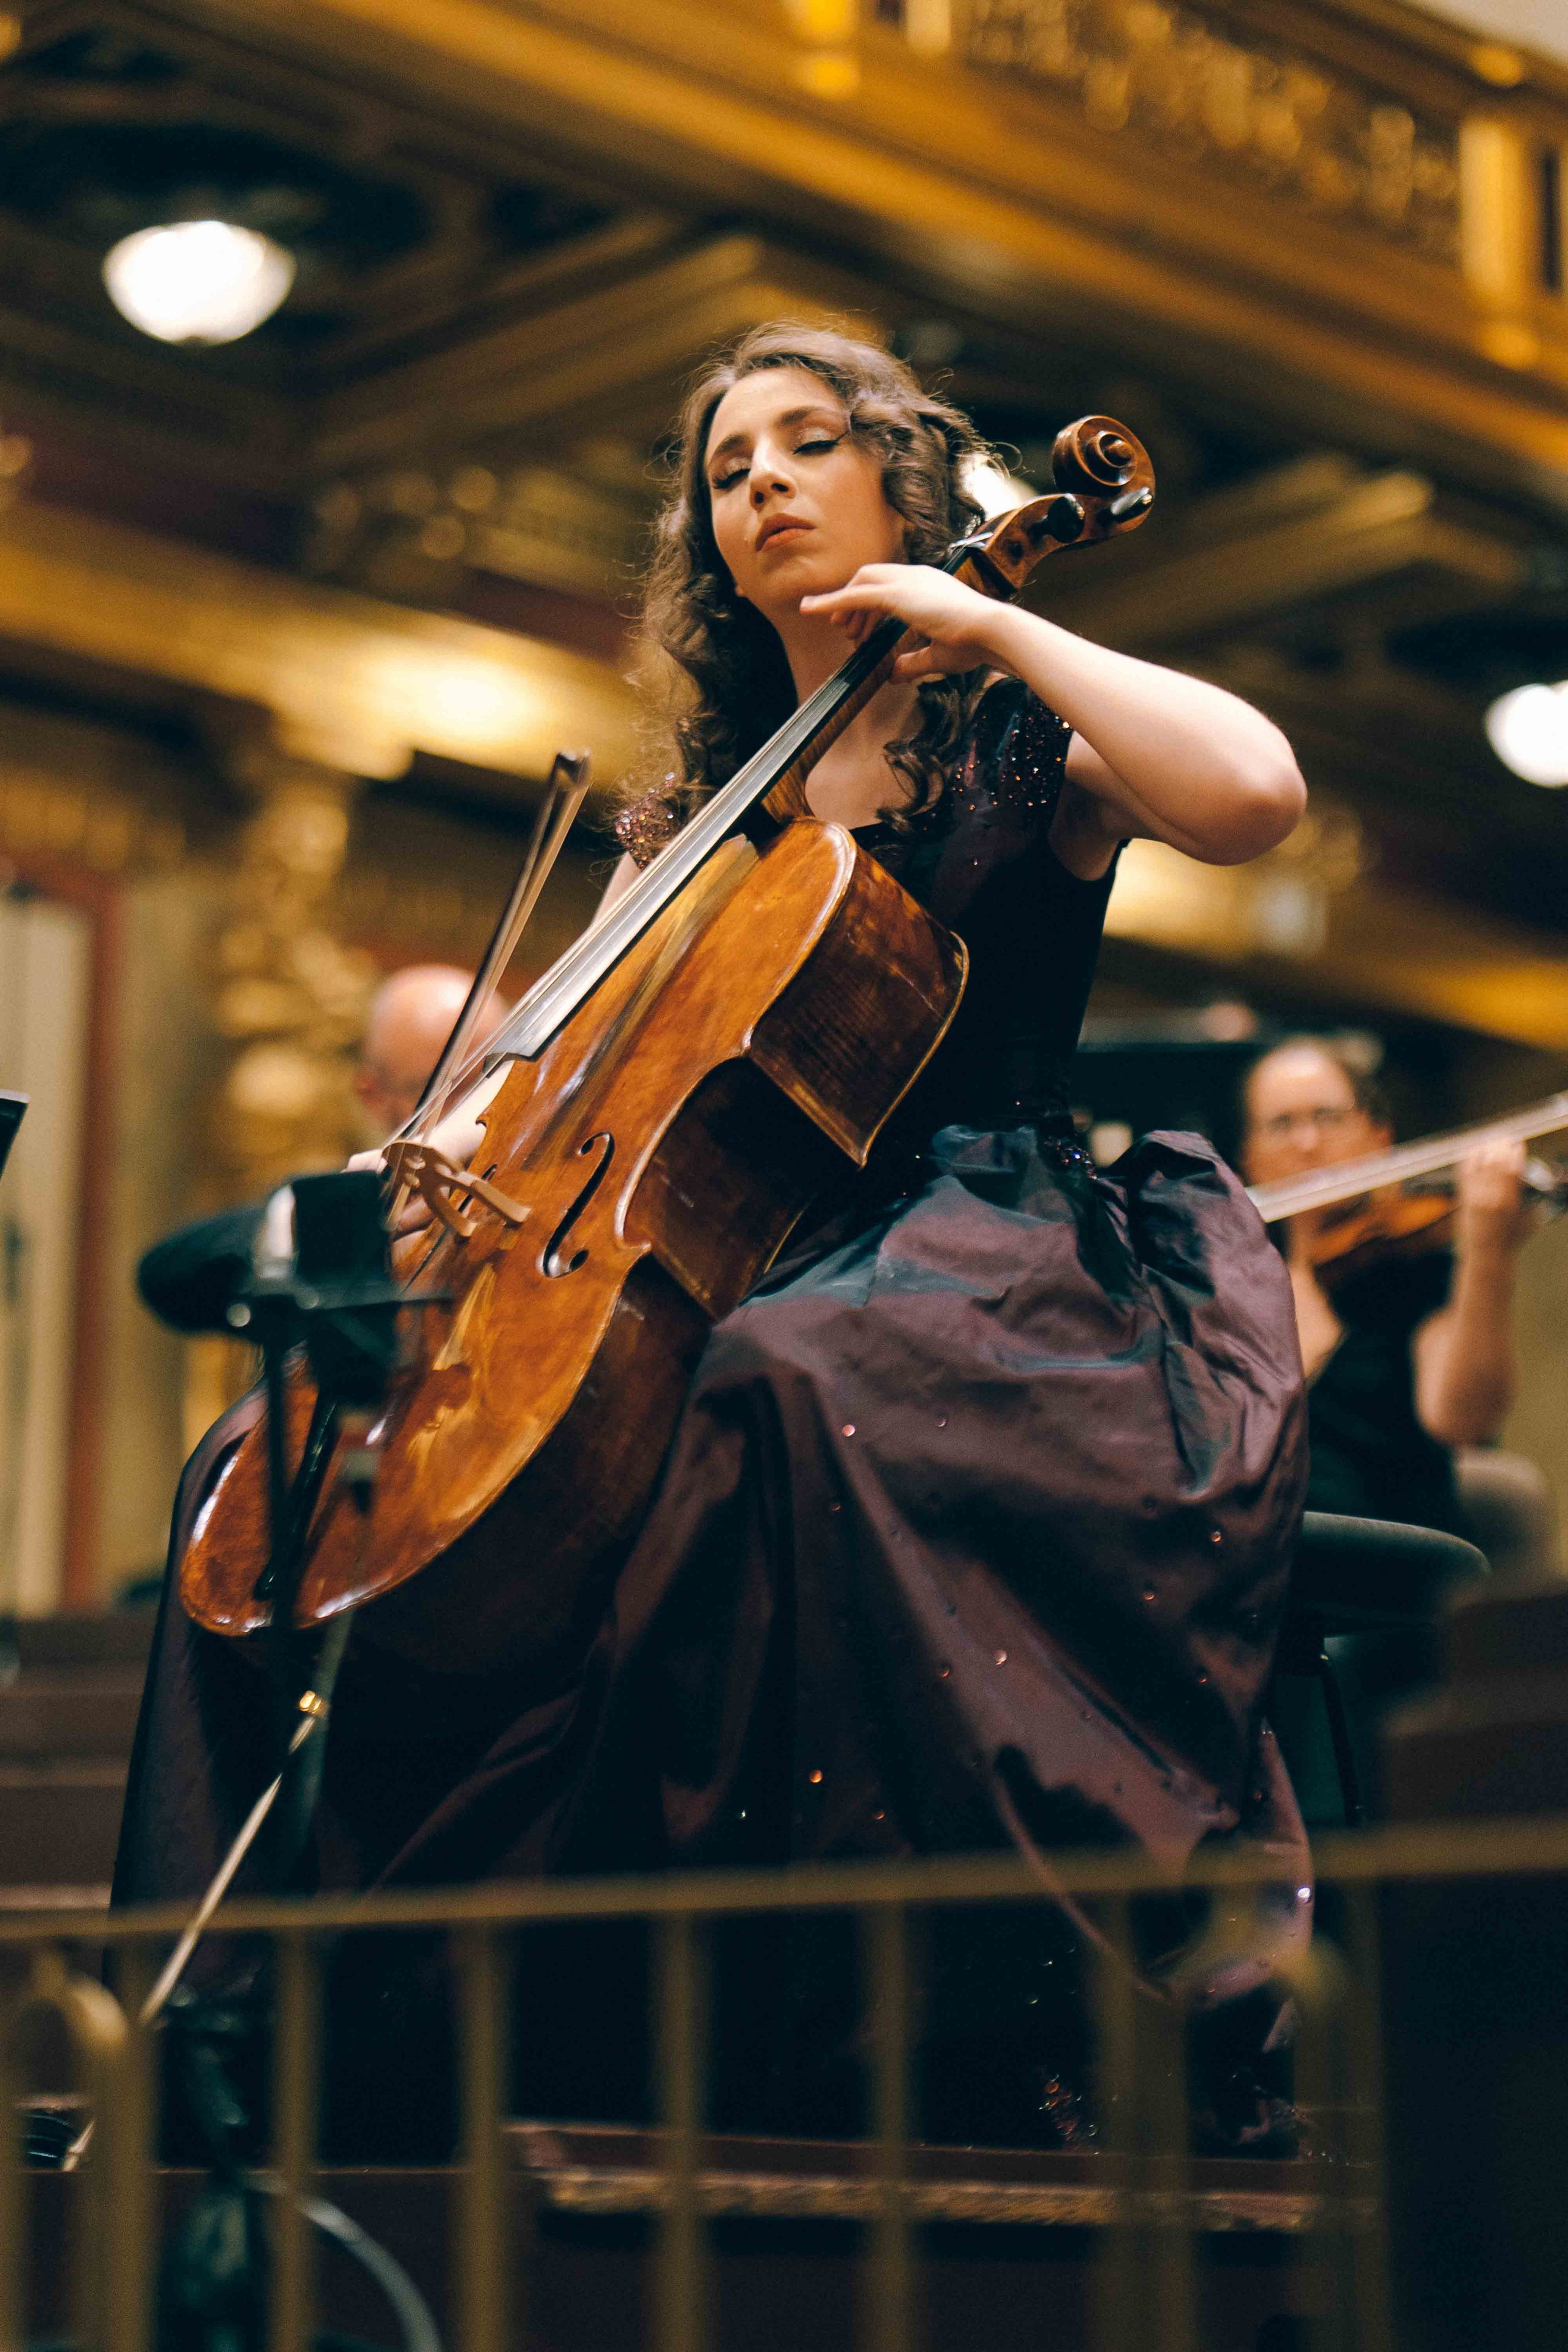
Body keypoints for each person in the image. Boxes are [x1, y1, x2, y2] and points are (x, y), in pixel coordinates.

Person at [118, 325, 1311, 2154]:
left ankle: (774, 2039)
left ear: (899, 481)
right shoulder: (698, 811)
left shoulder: (1016, 738)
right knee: (271, 1454)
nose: (756, 477)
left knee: (765, 1389)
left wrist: (994, 618)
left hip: (984, 1250)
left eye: (805, 441)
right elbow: (566, 1062)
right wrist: (453, 1138)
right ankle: (241, 2046)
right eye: (726, 460)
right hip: (722, 1232)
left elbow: (1252, 794)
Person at [1240, 1036, 1531, 1538]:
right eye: (1282, 1124)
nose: (1307, 1142)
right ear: (1249, 1156)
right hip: (1263, 1575)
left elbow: (1465, 1422)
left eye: (1328, 1117)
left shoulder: (1413, 1269)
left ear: (1378, 1135)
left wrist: (1487, 1251)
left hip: (1390, 1568)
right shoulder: (1226, 1298)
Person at [136, 963, 505, 1334]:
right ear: (373, 1097)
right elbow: (167, 1275)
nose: (472, 1108)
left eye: (492, 1078)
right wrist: (327, 1225)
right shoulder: (370, 1210)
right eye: (437, 1087)